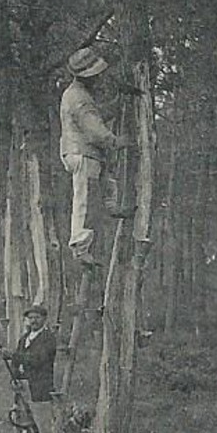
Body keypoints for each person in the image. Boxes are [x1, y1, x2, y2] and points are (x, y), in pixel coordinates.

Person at [59, 46, 127, 267]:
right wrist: (116, 141)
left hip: (83, 152)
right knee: (84, 202)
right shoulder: (80, 98)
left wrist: (118, 103)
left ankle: (112, 204)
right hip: (82, 153)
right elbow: (94, 128)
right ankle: (80, 249)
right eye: (96, 76)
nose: (99, 79)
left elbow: (95, 116)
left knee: (103, 182)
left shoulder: (78, 95)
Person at [12, 305, 60, 433]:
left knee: (44, 427)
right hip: (23, 388)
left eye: (37, 318)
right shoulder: (24, 339)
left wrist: (14, 356)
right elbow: (18, 361)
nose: (33, 321)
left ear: (44, 319)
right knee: (24, 427)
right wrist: (15, 375)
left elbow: (38, 360)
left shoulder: (48, 339)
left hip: (40, 389)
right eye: (30, 318)